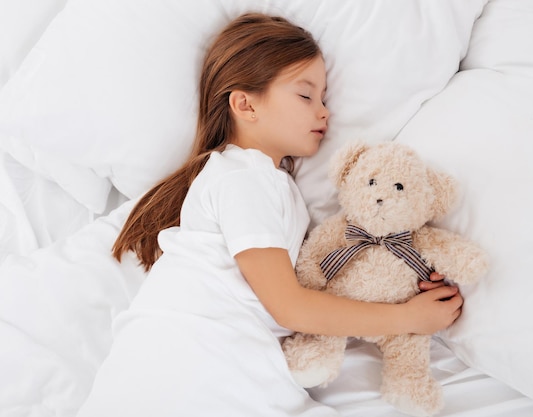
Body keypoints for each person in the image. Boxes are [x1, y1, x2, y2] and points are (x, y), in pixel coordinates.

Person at [76, 13, 463, 417]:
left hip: (203, 361)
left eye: (325, 98)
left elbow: (310, 280)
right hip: (185, 360)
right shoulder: (242, 178)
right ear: (245, 104)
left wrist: (403, 274)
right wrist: (407, 317)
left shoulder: (266, 182)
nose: (324, 112)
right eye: (305, 96)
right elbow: (290, 306)